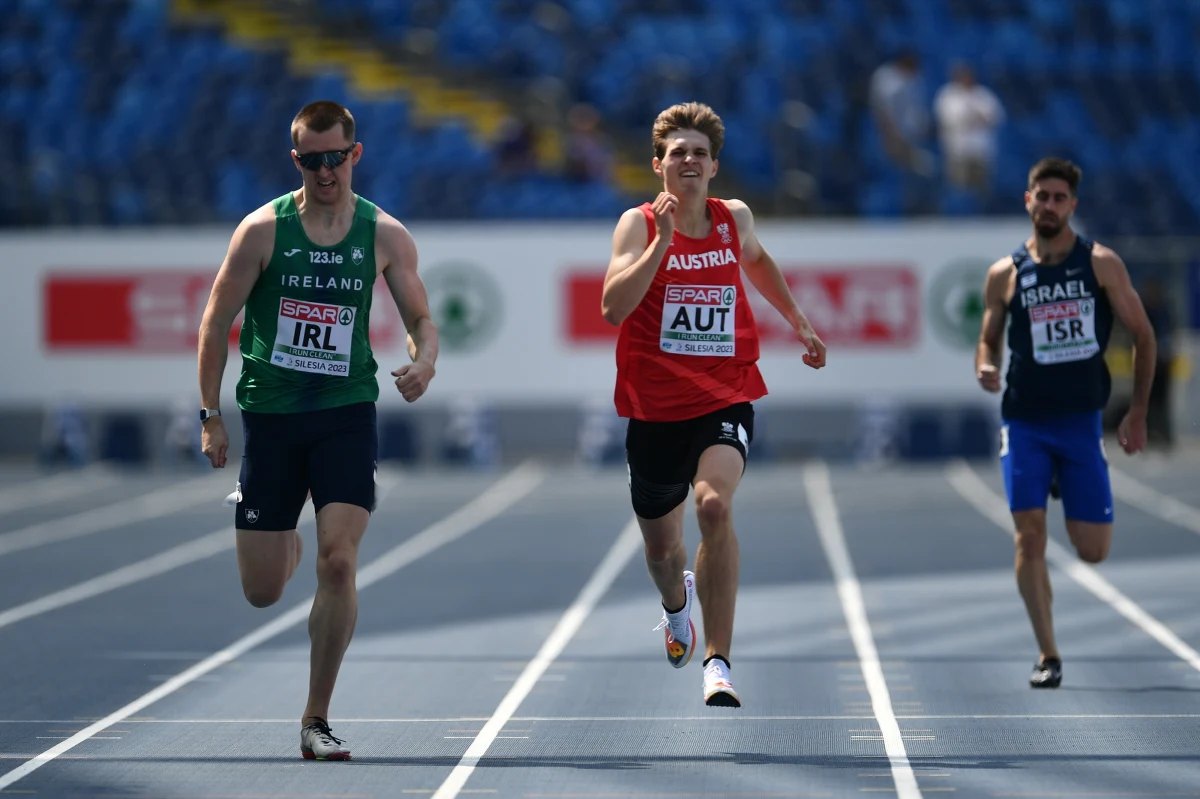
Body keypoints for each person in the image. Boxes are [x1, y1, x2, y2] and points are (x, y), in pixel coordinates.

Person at [197, 100, 439, 759]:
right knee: (263, 590)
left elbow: (422, 318)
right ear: (295, 159)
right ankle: (282, 539)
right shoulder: (261, 231)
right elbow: (216, 323)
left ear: (355, 154)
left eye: (335, 157)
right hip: (272, 418)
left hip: (345, 412)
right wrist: (211, 415)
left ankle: (315, 716)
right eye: (311, 159)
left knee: (340, 561)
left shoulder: (384, 234)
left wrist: (426, 361)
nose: (324, 170)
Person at [600, 101, 827, 707]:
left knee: (714, 507)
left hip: (724, 393)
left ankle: (718, 663)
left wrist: (798, 320)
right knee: (661, 550)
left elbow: (758, 261)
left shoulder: (735, 219)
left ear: (714, 165)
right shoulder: (638, 225)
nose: (690, 160)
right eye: (679, 153)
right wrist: (663, 245)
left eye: (700, 152)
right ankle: (678, 610)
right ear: (659, 166)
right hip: (652, 408)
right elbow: (612, 308)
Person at [974, 157, 1156, 689]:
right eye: (1042, 196)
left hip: (1080, 424)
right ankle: (1048, 654)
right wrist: (985, 363)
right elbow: (989, 336)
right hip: (1025, 421)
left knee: (1093, 552)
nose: (1049, 205)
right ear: (1026, 200)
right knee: (1029, 539)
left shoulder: (1100, 264)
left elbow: (1144, 336)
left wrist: (1138, 411)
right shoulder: (1005, 274)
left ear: (1072, 205)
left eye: (1060, 198)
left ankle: (1062, 475)